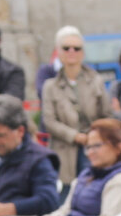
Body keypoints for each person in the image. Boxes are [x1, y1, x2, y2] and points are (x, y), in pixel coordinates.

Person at [39, 25, 115, 184]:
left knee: (94, 190)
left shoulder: (96, 81)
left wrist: (94, 135)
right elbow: (49, 121)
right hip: (64, 151)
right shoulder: (50, 86)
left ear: (83, 52)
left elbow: (107, 115)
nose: (71, 52)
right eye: (66, 48)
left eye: (76, 48)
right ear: (58, 52)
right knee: (66, 194)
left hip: (94, 147)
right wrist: (75, 136)